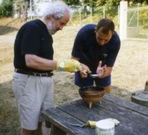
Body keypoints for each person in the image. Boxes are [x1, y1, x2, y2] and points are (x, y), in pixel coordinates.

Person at [12, 1, 90, 135]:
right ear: (51, 16)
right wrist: (61, 65)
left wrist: (76, 65)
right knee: (29, 127)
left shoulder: (46, 34)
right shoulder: (33, 27)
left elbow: (45, 61)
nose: (62, 28)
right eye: (62, 23)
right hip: (30, 80)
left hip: (43, 81)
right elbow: (30, 61)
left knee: (39, 121)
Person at [71, 18, 121, 93]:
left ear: (112, 34)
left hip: (102, 68)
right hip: (84, 65)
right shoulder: (83, 34)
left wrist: (103, 74)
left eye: (106, 40)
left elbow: (109, 68)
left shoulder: (115, 42)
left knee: (106, 96)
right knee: (86, 96)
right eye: (99, 38)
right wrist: (80, 67)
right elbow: (74, 59)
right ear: (95, 30)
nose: (102, 43)